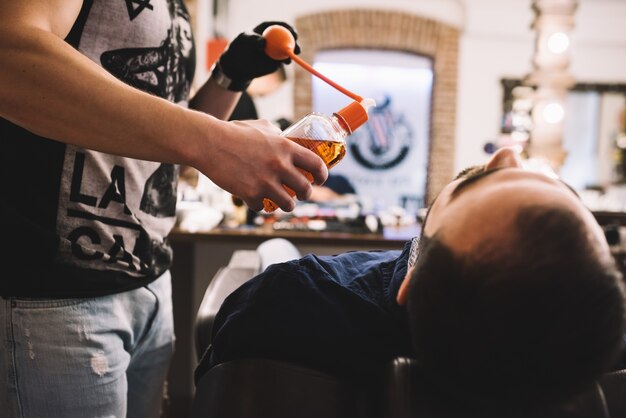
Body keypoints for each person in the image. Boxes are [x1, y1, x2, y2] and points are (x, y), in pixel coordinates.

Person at [0, 0, 327, 416]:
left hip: (150, 281)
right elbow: (8, 54)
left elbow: (161, 143)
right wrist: (215, 140)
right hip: (58, 295)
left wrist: (231, 74)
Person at [196, 147, 626, 415]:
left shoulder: (289, 301)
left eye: (481, 185)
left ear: (413, 284)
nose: (507, 155)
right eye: (559, 191)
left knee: (276, 252)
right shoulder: (597, 350)